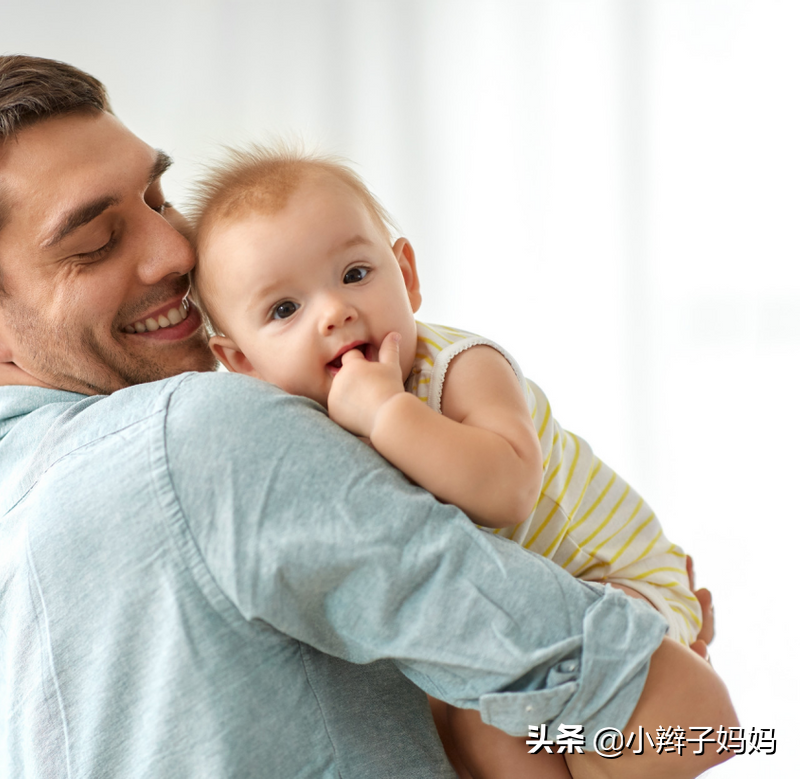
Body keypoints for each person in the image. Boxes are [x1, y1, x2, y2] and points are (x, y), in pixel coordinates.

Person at [0, 55, 735, 778]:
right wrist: (644, 650)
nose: (174, 251)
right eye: (95, 242)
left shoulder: (0, 583)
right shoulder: (206, 434)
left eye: (158, 200)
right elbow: (692, 720)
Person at [187, 145, 727, 777]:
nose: (335, 311)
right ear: (241, 362)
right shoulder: (295, 431)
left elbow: (508, 490)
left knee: (492, 706)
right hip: (521, 617)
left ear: (407, 274)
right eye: (285, 309)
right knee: (466, 725)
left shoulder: (460, 368)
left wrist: (389, 412)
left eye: (355, 273)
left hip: (617, 588)